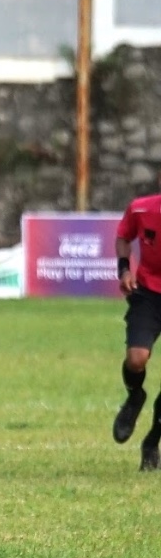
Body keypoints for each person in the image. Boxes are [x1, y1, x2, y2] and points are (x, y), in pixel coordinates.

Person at [114, 187, 161, 470]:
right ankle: (135, 396)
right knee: (136, 358)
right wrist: (124, 269)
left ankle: (152, 442)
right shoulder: (142, 209)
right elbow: (123, 237)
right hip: (149, 294)